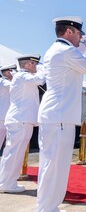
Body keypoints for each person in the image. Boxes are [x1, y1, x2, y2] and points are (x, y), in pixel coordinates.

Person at [34, 16, 86, 212]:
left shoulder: (59, 50)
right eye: (80, 34)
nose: (82, 38)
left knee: (56, 166)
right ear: (70, 32)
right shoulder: (65, 51)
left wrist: (83, 47)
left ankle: (50, 208)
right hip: (59, 116)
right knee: (54, 167)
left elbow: (79, 59)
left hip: (58, 116)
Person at [0, 56, 44, 193]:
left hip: (23, 120)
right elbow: (40, 79)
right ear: (28, 64)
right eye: (35, 64)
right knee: (12, 153)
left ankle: (9, 182)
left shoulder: (22, 77)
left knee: (16, 153)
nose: (37, 66)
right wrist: (45, 67)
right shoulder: (22, 76)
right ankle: (5, 183)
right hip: (20, 120)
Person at [0, 64, 17, 150]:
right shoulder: (4, 82)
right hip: (2, 116)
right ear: (7, 72)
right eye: (13, 71)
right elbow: (16, 86)